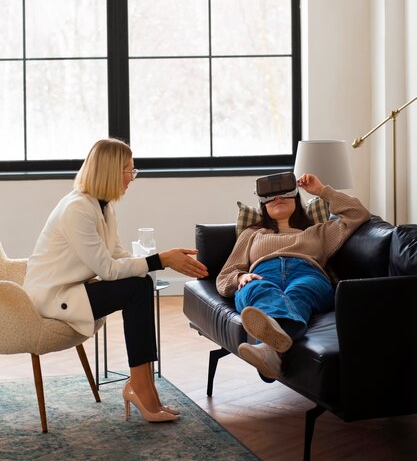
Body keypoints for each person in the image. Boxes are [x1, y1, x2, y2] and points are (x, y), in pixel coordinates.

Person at [24, 138, 208, 422]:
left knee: (141, 284)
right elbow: (108, 270)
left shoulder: (103, 206)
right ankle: (141, 388)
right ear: (111, 171)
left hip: (75, 290)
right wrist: (162, 259)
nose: (132, 178)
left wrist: (160, 260)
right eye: (129, 170)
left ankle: (143, 386)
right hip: (53, 299)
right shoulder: (77, 209)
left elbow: (117, 254)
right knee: (138, 287)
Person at [216, 173, 370, 381]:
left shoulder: (319, 232)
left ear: (297, 199)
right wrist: (240, 277)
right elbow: (225, 276)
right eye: (272, 196)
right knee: (256, 289)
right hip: (262, 276)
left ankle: (268, 349)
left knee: (300, 290)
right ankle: (272, 351)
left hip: (307, 273)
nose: (278, 198)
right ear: (263, 205)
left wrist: (322, 190)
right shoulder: (253, 233)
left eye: (285, 194)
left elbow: (358, 213)